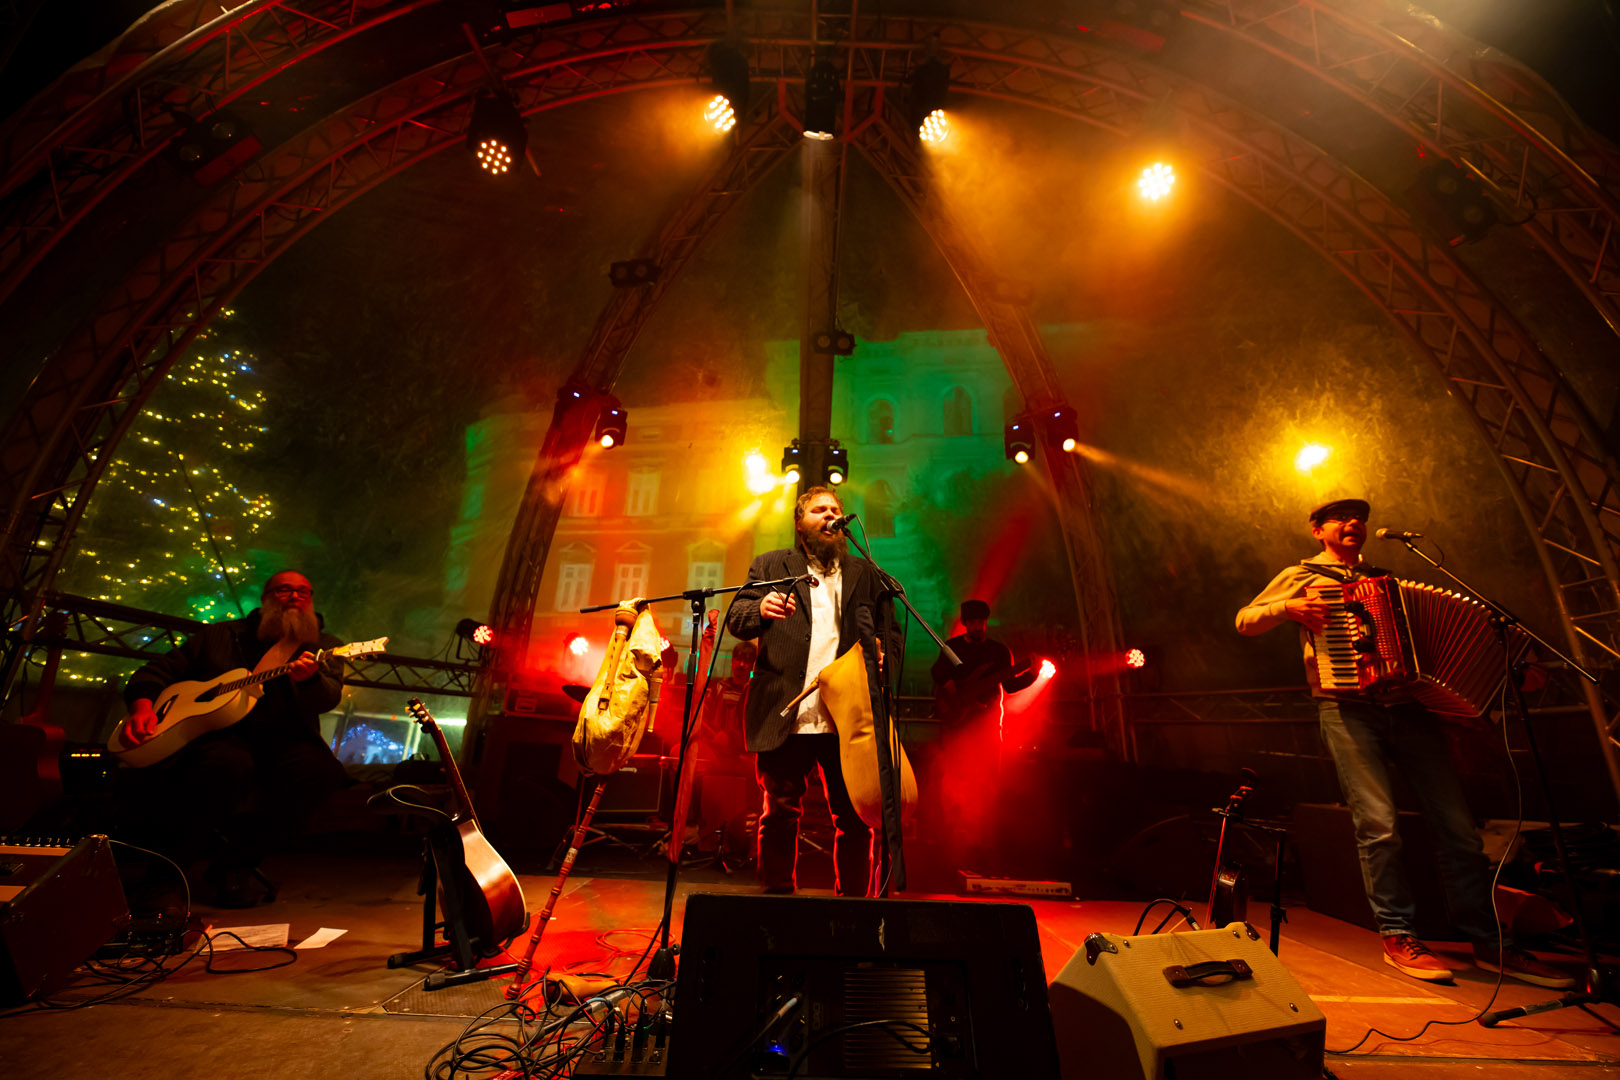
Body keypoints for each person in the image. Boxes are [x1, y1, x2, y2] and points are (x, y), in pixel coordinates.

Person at [1236, 498, 1573, 988]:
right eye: (1340, 517)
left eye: (1359, 517)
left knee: (1459, 830)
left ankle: (1488, 942)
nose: (1353, 523)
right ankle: (1398, 935)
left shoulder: (1386, 581)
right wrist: (1287, 607)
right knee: (1378, 825)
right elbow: (1245, 620)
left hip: (1409, 709)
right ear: (1317, 531)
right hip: (1346, 706)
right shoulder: (1302, 576)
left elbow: (1436, 643)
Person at [122, 570, 349, 907]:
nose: (296, 597)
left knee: (321, 772)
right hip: (216, 735)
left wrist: (309, 680)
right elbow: (158, 670)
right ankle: (166, 876)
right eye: (285, 590)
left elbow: (327, 698)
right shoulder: (223, 635)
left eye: (305, 591)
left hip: (287, 739)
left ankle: (236, 865)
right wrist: (142, 707)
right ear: (266, 597)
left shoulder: (325, 646)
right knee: (223, 765)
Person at [726, 486, 902, 896]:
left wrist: (883, 659)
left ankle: (854, 908)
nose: (829, 515)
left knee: (854, 816)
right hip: (787, 710)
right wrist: (760, 609)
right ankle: (776, 902)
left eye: (835, 509)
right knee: (780, 813)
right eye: (819, 510)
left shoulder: (866, 574)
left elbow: (891, 633)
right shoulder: (772, 565)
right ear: (799, 522)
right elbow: (737, 617)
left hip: (847, 716)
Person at [929, 599, 1034, 872]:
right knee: (954, 781)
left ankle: (986, 846)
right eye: (973, 622)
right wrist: (954, 690)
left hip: (987, 726)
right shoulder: (953, 647)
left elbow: (1010, 686)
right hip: (958, 725)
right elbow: (938, 672)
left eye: (981, 622)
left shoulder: (998, 651)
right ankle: (952, 846)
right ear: (966, 623)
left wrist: (1033, 675)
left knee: (988, 782)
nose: (978, 626)